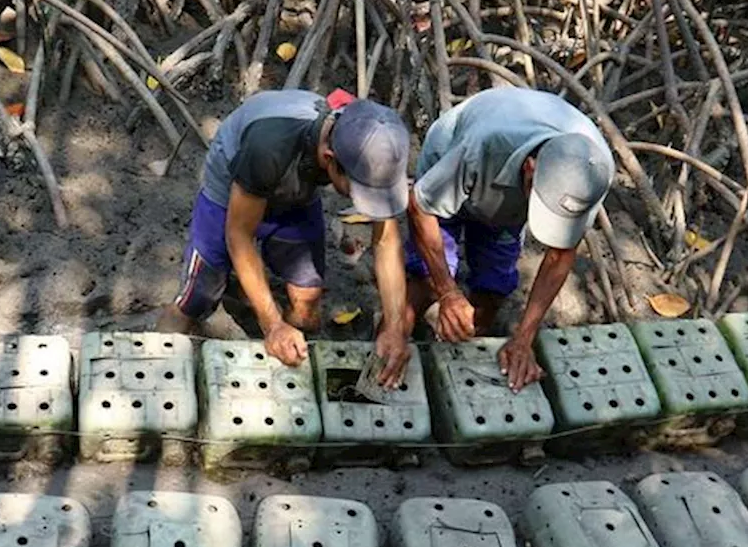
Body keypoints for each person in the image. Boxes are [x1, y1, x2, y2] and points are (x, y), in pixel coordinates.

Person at [157, 90, 413, 387]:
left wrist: (395, 327)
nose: (366, 204)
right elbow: (239, 235)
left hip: (297, 191)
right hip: (234, 187)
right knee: (197, 297)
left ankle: (273, 329)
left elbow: (386, 241)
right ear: (330, 159)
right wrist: (273, 325)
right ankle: (156, 365)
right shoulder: (269, 146)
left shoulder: (371, 141)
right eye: (361, 193)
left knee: (307, 301)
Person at [404, 87, 615, 392]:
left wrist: (523, 339)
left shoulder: (592, 172)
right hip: (452, 166)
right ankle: (392, 341)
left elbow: (561, 252)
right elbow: (420, 207)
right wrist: (448, 293)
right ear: (530, 169)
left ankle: (462, 365)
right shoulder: (482, 145)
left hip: (503, 206)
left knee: (494, 286)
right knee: (425, 279)